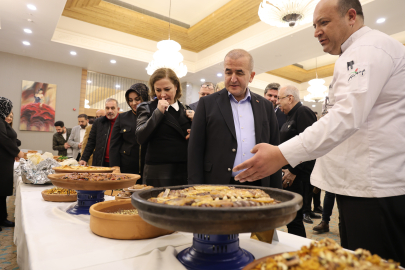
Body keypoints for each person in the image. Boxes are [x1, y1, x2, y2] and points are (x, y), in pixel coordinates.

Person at [233, 0, 405, 265]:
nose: (316, 32)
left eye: (323, 22)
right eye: (314, 25)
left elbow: (346, 116)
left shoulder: (366, 49)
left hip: (373, 190)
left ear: (350, 16)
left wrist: (282, 154)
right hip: (360, 187)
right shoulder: (353, 53)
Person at [188, 49, 281, 188]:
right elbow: (195, 150)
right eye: (228, 72)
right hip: (216, 184)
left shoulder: (265, 106)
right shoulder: (207, 104)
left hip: (258, 185)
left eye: (239, 72)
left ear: (251, 76)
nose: (233, 78)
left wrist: (276, 191)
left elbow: (274, 149)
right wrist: (195, 188)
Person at [136, 68, 193, 187]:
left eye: (167, 89)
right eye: (158, 90)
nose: (162, 94)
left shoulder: (186, 109)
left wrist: (195, 129)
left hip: (184, 169)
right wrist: (158, 112)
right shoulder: (147, 107)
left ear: (176, 86)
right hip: (157, 170)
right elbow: (140, 136)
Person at [278, 85, 317, 236]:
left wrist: (293, 171)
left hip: (298, 176)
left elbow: (310, 146)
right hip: (289, 175)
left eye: (280, 99)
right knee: (290, 217)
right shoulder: (289, 116)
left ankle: (300, 254)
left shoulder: (303, 112)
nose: (278, 103)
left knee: (295, 218)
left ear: (290, 98)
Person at [109, 83, 149, 175]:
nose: (133, 103)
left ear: (145, 97)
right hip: (127, 167)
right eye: (130, 100)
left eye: (137, 99)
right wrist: (115, 167)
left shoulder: (154, 116)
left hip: (149, 167)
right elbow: (114, 144)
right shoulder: (122, 117)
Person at [0, 97, 25, 230]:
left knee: (2, 192)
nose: (9, 114)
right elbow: (3, 139)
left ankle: (2, 217)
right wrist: (17, 152)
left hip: (5, 161)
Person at [80, 99, 119, 167]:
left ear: (118, 109)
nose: (110, 111)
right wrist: (84, 158)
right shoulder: (98, 122)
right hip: (100, 162)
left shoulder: (123, 122)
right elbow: (91, 142)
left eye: (112, 108)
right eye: (107, 108)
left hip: (118, 164)